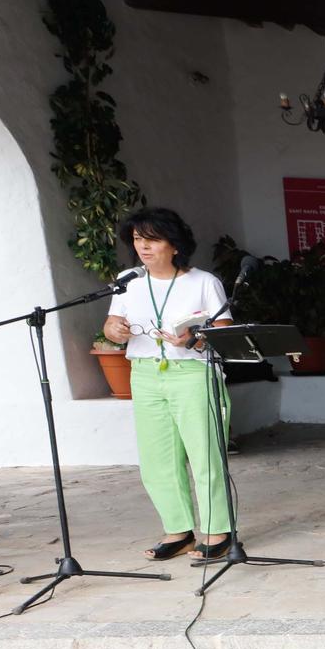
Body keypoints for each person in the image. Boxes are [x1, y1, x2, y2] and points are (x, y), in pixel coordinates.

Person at [100, 207, 236, 560]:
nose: (143, 247)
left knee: (205, 454)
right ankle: (178, 531)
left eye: (152, 239)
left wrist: (194, 337)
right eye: (137, 240)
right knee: (157, 458)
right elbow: (112, 323)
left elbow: (223, 334)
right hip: (144, 373)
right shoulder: (128, 279)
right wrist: (114, 330)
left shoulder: (203, 282)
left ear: (174, 245)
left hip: (191, 373)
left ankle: (217, 531)